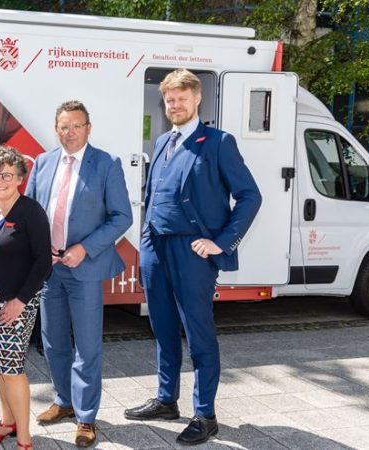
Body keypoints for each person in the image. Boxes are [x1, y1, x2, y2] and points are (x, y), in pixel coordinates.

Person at [124, 69, 262, 446]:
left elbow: (250, 196)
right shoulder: (163, 142)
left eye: (182, 98)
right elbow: (153, 199)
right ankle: (167, 400)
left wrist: (222, 241)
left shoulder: (217, 142)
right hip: (156, 247)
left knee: (198, 333)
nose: (175, 105)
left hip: (193, 252)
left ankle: (206, 414)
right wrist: (144, 247)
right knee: (163, 328)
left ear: (197, 99)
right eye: (170, 99)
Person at [25, 100, 132, 447]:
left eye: (76, 125)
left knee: (86, 345)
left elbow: (122, 217)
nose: (69, 132)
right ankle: (64, 401)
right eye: (63, 126)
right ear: (56, 129)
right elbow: (28, 212)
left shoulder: (106, 164)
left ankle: (86, 417)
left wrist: (84, 248)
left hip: (84, 268)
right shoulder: (42, 163)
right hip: (49, 270)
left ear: (88, 127)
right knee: (53, 341)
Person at [0, 147, 52, 450]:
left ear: (20, 178)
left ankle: (24, 439)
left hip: (19, 301)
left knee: (12, 368)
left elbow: (43, 262)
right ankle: (6, 423)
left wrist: (19, 301)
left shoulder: (31, 212)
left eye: (7, 174)